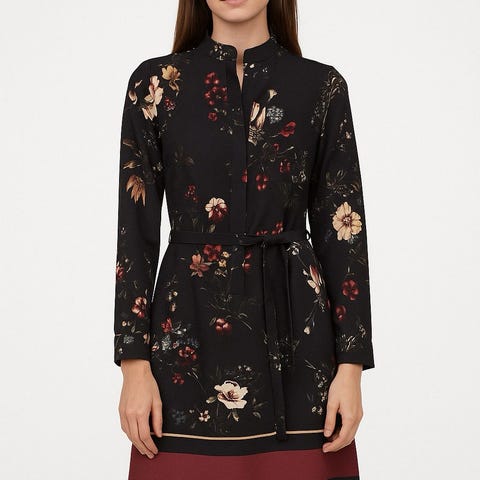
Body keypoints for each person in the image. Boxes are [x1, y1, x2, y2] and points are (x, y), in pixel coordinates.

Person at [114, 1, 375, 478]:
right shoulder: (155, 85)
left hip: (300, 344)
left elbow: (344, 232)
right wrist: (133, 365)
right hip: (184, 339)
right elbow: (135, 233)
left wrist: (351, 367)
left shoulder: (321, 87)